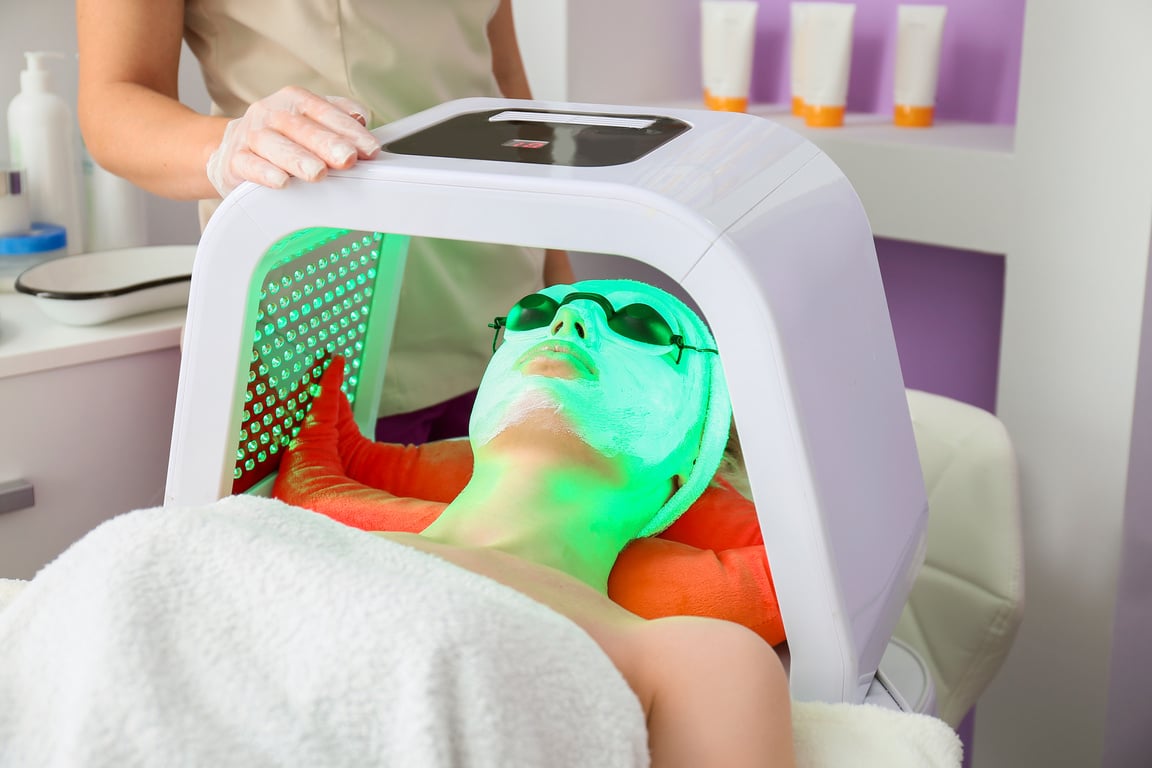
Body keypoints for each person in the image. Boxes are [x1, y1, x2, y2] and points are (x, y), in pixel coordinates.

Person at [75, 0, 575, 444]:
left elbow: (503, 83)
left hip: (509, 321)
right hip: (319, 333)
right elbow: (114, 99)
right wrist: (232, 147)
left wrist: (562, 280)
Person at [357, 278, 795, 765]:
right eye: (531, 313)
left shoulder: (700, 662)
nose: (567, 322)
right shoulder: (289, 541)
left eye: (640, 327)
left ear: (696, 455)